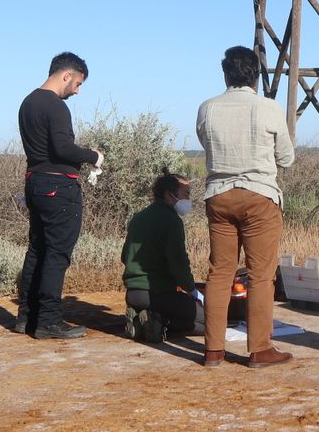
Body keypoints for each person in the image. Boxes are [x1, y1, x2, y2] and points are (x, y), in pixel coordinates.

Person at [197, 46, 297, 368]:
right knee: (260, 275)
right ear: (256, 75)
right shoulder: (268, 107)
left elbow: (205, 141)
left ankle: (213, 350)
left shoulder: (207, 108)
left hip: (219, 195)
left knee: (220, 272)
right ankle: (260, 350)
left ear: (225, 74)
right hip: (259, 195)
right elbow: (287, 158)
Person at [14, 52, 105, 340]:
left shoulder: (28, 102)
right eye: (77, 83)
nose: (77, 91)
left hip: (35, 182)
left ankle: (26, 318)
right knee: (56, 254)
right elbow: (63, 149)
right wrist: (94, 156)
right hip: (58, 188)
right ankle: (49, 321)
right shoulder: (55, 106)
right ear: (66, 75)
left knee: (37, 251)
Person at [121, 173, 205, 341]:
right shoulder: (172, 221)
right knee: (210, 322)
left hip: (133, 294)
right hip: (158, 294)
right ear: (169, 194)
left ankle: (141, 319)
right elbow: (178, 264)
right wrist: (193, 291)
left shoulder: (139, 217)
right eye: (186, 194)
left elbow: (125, 256)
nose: (189, 199)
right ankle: (157, 322)